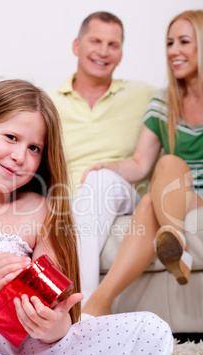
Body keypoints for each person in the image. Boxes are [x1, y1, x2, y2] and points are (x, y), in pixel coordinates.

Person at [0, 79, 190, 355]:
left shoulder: (39, 209)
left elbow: (57, 318)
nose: (20, 156)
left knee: (149, 330)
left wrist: (52, 325)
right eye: (11, 138)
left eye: (34, 148)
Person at [82, 9, 203, 317]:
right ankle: (98, 302)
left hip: (196, 196)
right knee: (164, 174)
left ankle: (175, 247)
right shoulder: (163, 103)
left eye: (184, 42)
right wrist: (108, 168)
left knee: (158, 190)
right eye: (169, 42)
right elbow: (139, 163)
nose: (174, 50)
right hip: (177, 194)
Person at [48, 11, 157, 304]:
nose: (103, 51)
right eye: (96, 41)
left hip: (123, 195)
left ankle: (81, 312)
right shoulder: (47, 101)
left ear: (121, 54)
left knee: (101, 180)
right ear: (77, 45)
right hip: (69, 201)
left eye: (113, 44)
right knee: (85, 195)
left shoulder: (146, 95)